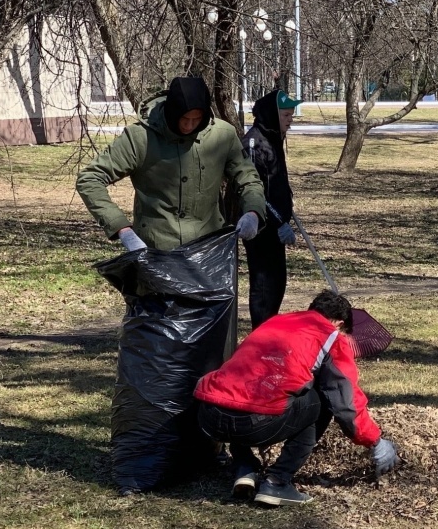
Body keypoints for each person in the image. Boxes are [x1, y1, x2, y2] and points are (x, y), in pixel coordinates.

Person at [194, 290, 400, 506]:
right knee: (322, 399)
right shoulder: (330, 335)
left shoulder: (277, 322)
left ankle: (244, 467)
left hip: (210, 416)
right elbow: (344, 399)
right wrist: (375, 441)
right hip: (254, 424)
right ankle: (277, 482)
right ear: (338, 324)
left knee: (242, 391)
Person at [77, 75, 267, 251]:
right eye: (184, 118)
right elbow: (90, 179)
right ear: (172, 112)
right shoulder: (140, 137)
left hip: (209, 248)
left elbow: (248, 178)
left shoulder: (222, 135)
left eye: (196, 119)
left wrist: (253, 212)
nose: (189, 125)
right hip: (156, 250)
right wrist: (121, 228)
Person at [243, 89, 303, 327]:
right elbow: (253, 190)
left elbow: (276, 182)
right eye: (286, 115)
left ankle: (267, 330)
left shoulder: (273, 139)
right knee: (264, 285)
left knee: (277, 282)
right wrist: (279, 222)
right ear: (272, 113)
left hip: (276, 226)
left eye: (292, 115)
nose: (291, 121)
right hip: (260, 228)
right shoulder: (253, 143)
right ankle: (260, 335)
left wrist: (287, 209)